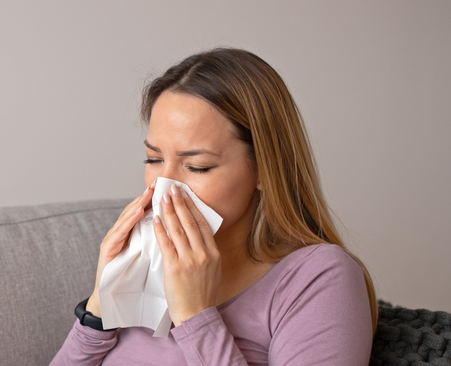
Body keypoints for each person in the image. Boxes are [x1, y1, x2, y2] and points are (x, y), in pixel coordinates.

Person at [50, 48, 376, 365]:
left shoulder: (318, 276)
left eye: (198, 167)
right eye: (153, 159)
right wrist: (99, 306)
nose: (164, 189)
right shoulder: (145, 263)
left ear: (264, 169)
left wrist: (196, 317)